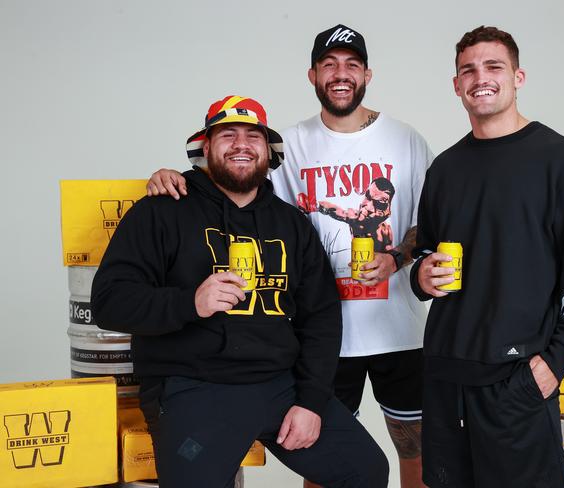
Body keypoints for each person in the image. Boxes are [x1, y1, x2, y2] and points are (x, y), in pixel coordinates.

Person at [147, 24, 433, 488]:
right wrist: (176, 176)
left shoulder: (406, 140)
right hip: (318, 335)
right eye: (329, 65)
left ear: (367, 74)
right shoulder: (291, 143)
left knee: (417, 448)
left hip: (397, 327)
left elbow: (428, 223)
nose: (340, 75)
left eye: (351, 65)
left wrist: (396, 260)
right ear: (313, 75)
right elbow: (236, 187)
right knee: (320, 458)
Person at [91, 95, 389, 488]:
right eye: (227, 134)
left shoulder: (291, 224)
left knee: (365, 470)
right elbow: (109, 302)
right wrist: (189, 302)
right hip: (193, 387)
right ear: (206, 147)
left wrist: (311, 401)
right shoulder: (161, 211)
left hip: (279, 385)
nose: (241, 144)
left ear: (268, 151)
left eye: (253, 136)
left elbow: (321, 317)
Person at [410, 26, 564, 488]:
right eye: (468, 70)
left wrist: (553, 363)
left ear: (518, 77)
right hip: (445, 376)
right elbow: (426, 248)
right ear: (456, 84)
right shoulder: (445, 168)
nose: (480, 77)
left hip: (517, 379)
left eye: (493, 66)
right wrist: (421, 275)